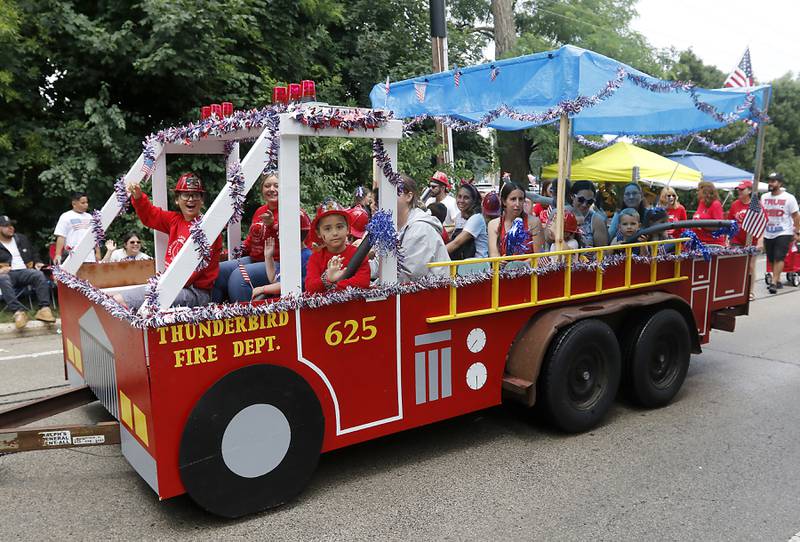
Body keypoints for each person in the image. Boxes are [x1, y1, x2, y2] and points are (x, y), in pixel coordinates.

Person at [116, 173, 222, 310]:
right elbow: (150, 215)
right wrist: (138, 196)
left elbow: (191, 272)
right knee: (117, 300)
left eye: (195, 195)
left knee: (121, 301)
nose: (191, 199)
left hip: (195, 293)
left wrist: (162, 285)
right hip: (171, 286)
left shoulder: (208, 228)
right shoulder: (175, 220)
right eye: (185, 195)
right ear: (177, 200)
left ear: (202, 200)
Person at [0, 215, 56, 329]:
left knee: (38, 274)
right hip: (8, 274)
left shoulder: (21, 238)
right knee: (3, 278)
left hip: (25, 271)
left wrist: (37, 262)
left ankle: (44, 309)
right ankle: (18, 312)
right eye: (6, 226)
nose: (10, 228)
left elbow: (34, 253)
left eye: (11, 225)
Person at [305, 200, 370, 293]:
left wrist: (333, 285)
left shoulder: (358, 254)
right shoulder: (315, 258)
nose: (335, 233)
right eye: (327, 229)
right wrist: (327, 277)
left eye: (339, 227)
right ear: (319, 233)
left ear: (348, 228)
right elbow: (310, 287)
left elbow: (363, 282)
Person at [396, 175, 450, 282]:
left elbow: (410, 274)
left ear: (409, 196)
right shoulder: (394, 225)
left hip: (433, 294)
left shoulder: (420, 228)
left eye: (394, 193)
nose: (385, 197)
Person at [761, 172, 800, 294]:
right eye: (770, 181)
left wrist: (797, 231)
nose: (771, 183)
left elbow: (795, 216)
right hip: (768, 232)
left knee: (779, 256)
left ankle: (773, 283)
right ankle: (776, 279)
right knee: (771, 258)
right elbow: (762, 215)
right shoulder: (764, 197)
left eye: (774, 181)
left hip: (784, 231)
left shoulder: (789, 198)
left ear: (780, 183)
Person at [488, 181, 544, 257]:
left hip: (529, 267)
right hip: (502, 268)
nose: (517, 204)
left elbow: (539, 257)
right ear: (504, 201)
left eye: (520, 199)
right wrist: (500, 261)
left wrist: (517, 265)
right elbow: (493, 255)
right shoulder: (493, 224)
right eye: (513, 199)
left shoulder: (534, 222)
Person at [727, 181, 759, 299]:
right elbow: (730, 222)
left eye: (742, 189)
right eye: (738, 189)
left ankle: (750, 291)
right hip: (737, 239)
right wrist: (728, 238)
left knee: (750, 265)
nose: (739, 192)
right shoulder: (735, 204)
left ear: (749, 191)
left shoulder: (755, 205)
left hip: (752, 240)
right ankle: (736, 289)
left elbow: (763, 221)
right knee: (736, 265)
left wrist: (760, 240)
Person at [53, 192, 100, 264]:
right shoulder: (66, 216)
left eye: (87, 202)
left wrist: (97, 252)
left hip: (90, 257)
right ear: (74, 204)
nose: (86, 205)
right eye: (83, 203)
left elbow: (94, 236)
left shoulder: (90, 217)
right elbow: (61, 236)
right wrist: (58, 254)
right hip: (72, 256)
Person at [446, 183, 488, 259]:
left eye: (466, 198)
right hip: (462, 263)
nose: (461, 201)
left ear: (473, 200)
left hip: (477, 265)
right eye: (459, 197)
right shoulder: (459, 216)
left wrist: (438, 254)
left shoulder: (477, 218)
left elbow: (457, 243)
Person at [570, 180, 609, 247]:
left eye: (590, 201)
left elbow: (602, 251)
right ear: (572, 196)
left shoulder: (596, 221)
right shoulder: (560, 214)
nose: (584, 204)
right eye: (581, 199)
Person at [692, 180, 725, 245]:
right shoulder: (702, 203)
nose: (697, 192)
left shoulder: (716, 204)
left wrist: (701, 225)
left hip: (712, 243)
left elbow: (718, 227)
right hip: (700, 241)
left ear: (705, 191)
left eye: (698, 190)